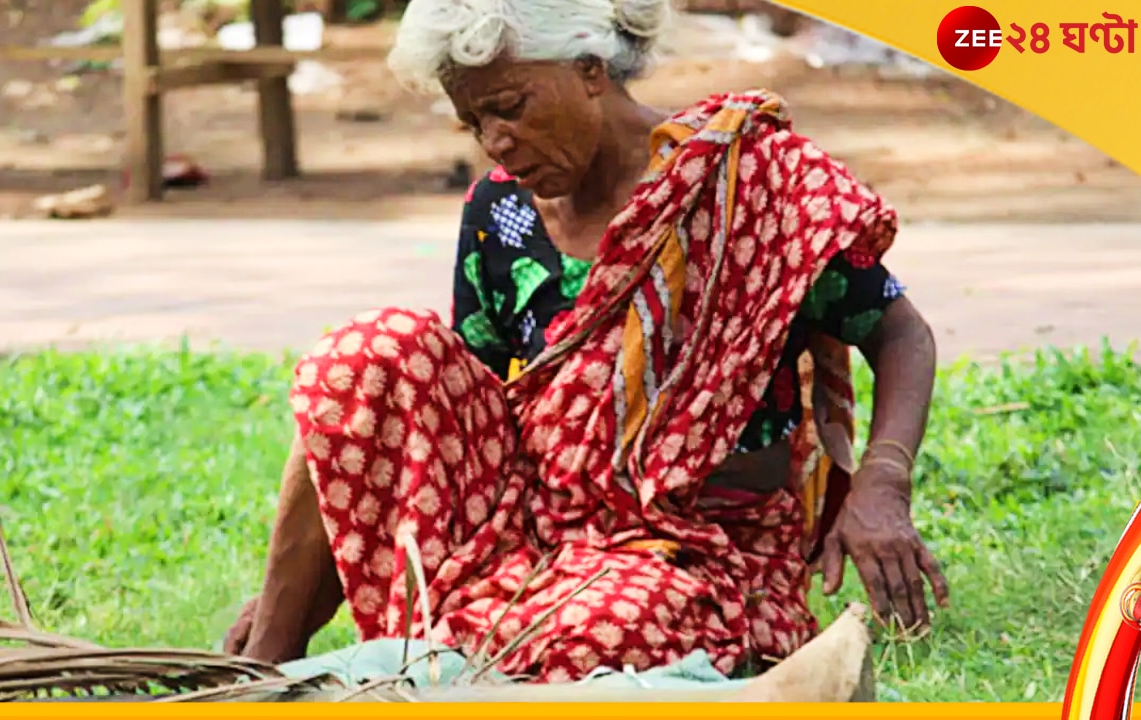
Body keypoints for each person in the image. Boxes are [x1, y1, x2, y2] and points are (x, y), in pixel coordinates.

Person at [223, 0, 950, 682]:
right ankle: (265, 667)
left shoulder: (738, 181)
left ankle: (463, 647)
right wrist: (297, 595)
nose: (496, 141)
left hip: (696, 548)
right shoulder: (499, 209)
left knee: (594, 632)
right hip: (535, 534)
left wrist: (881, 487)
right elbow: (466, 419)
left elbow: (900, 333)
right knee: (365, 357)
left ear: (589, 69)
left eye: (510, 107)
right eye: (474, 122)